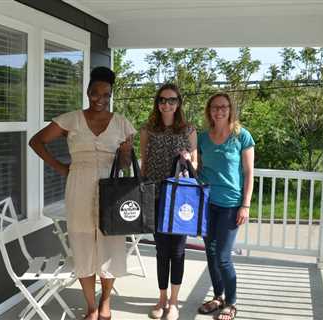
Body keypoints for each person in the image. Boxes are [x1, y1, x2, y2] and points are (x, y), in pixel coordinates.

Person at [29, 66, 135, 320]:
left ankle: (106, 301)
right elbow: (36, 141)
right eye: (95, 93)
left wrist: (124, 153)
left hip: (111, 190)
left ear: (111, 95)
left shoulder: (121, 123)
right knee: (83, 243)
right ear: (88, 92)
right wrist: (60, 167)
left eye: (106, 94)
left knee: (109, 243)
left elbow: (125, 166)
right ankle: (91, 306)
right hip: (79, 185)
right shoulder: (71, 119)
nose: (100, 99)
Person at [140, 83, 198, 320]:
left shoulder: (188, 129)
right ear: (157, 103)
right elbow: (144, 163)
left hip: (179, 199)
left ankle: (174, 302)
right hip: (154, 196)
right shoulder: (147, 130)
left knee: (178, 251)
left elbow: (195, 166)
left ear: (178, 103)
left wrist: (187, 159)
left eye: (172, 100)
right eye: (162, 100)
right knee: (161, 251)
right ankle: (161, 298)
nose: (167, 104)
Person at [196, 93, 255, 320]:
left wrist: (246, 205)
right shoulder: (202, 138)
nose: (218, 111)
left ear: (230, 109)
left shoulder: (242, 136)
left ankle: (231, 302)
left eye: (223, 107)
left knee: (223, 256)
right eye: (214, 107)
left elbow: (249, 173)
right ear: (209, 111)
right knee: (210, 254)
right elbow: (197, 166)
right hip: (207, 203)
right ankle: (218, 296)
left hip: (231, 204)